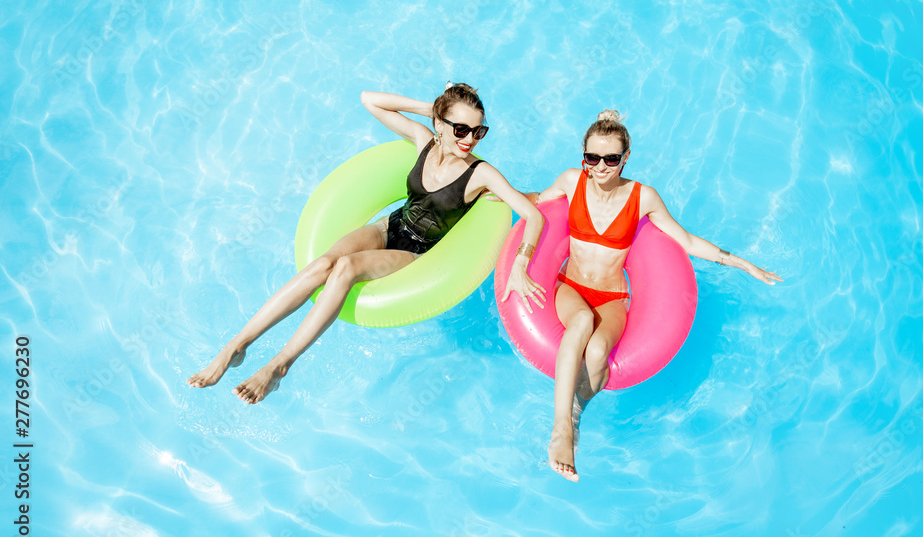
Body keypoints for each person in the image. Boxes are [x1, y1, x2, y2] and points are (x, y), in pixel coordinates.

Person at [188, 83, 545, 403]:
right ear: (440, 125)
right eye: (461, 129)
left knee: (345, 268)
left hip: (415, 251)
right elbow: (370, 100)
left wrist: (520, 264)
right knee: (322, 265)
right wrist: (432, 107)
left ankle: (280, 365)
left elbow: (533, 215)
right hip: (389, 227)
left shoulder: (479, 173)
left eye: (478, 131)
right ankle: (237, 345)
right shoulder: (424, 141)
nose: (470, 139)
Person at [523, 110, 782, 482]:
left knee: (597, 352)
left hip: (612, 295)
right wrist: (496, 192)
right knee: (579, 323)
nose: (600, 167)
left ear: (625, 158)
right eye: (591, 158)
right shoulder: (570, 181)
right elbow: (538, 201)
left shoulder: (643, 197)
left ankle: (577, 412)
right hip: (572, 287)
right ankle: (561, 431)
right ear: (583, 155)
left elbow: (688, 241)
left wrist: (743, 264)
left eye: (611, 159)